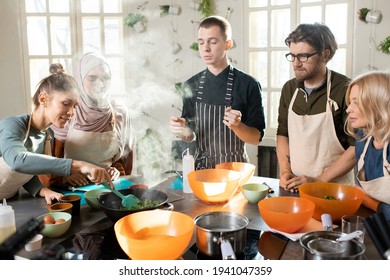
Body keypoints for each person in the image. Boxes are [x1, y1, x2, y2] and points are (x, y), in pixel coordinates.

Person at [0, 63, 114, 204]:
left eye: (75, 106)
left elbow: (25, 173)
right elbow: (17, 161)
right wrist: (80, 165)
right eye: (66, 103)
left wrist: (42, 190)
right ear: (43, 99)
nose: (72, 112)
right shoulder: (12, 125)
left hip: (8, 202)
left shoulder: (48, 136)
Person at [169, 15, 265, 169]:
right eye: (201, 42)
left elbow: (257, 138)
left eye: (212, 42)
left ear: (228, 44)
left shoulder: (248, 84)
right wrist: (181, 130)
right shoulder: (191, 85)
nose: (206, 48)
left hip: (235, 170)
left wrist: (238, 126)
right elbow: (190, 135)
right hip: (202, 170)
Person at [276, 23, 356, 192]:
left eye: (303, 56)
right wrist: (284, 171)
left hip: (335, 191)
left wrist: (318, 180)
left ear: (325, 54)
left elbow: (356, 147)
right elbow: (283, 134)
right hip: (296, 188)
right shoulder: (289, 89)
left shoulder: (345, 89)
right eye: (292, 56)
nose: (296, 63)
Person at [43, 52, 133, 187]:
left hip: (107, 186)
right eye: (92, 78)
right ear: (80, 80)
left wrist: (115, 170)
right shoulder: (67, 111)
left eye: (105, 78)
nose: (100, 84)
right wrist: (65, 177)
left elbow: (124, 158)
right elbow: (50, 163)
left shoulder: (119, 112)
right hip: (73, 189)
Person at [345, 71, 390, 220]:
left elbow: (364, 197)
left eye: (356, 102)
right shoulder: (362, 142)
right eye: (350, 102)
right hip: (377, 225)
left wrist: (368, 201)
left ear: (379, 103)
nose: (348, 109)